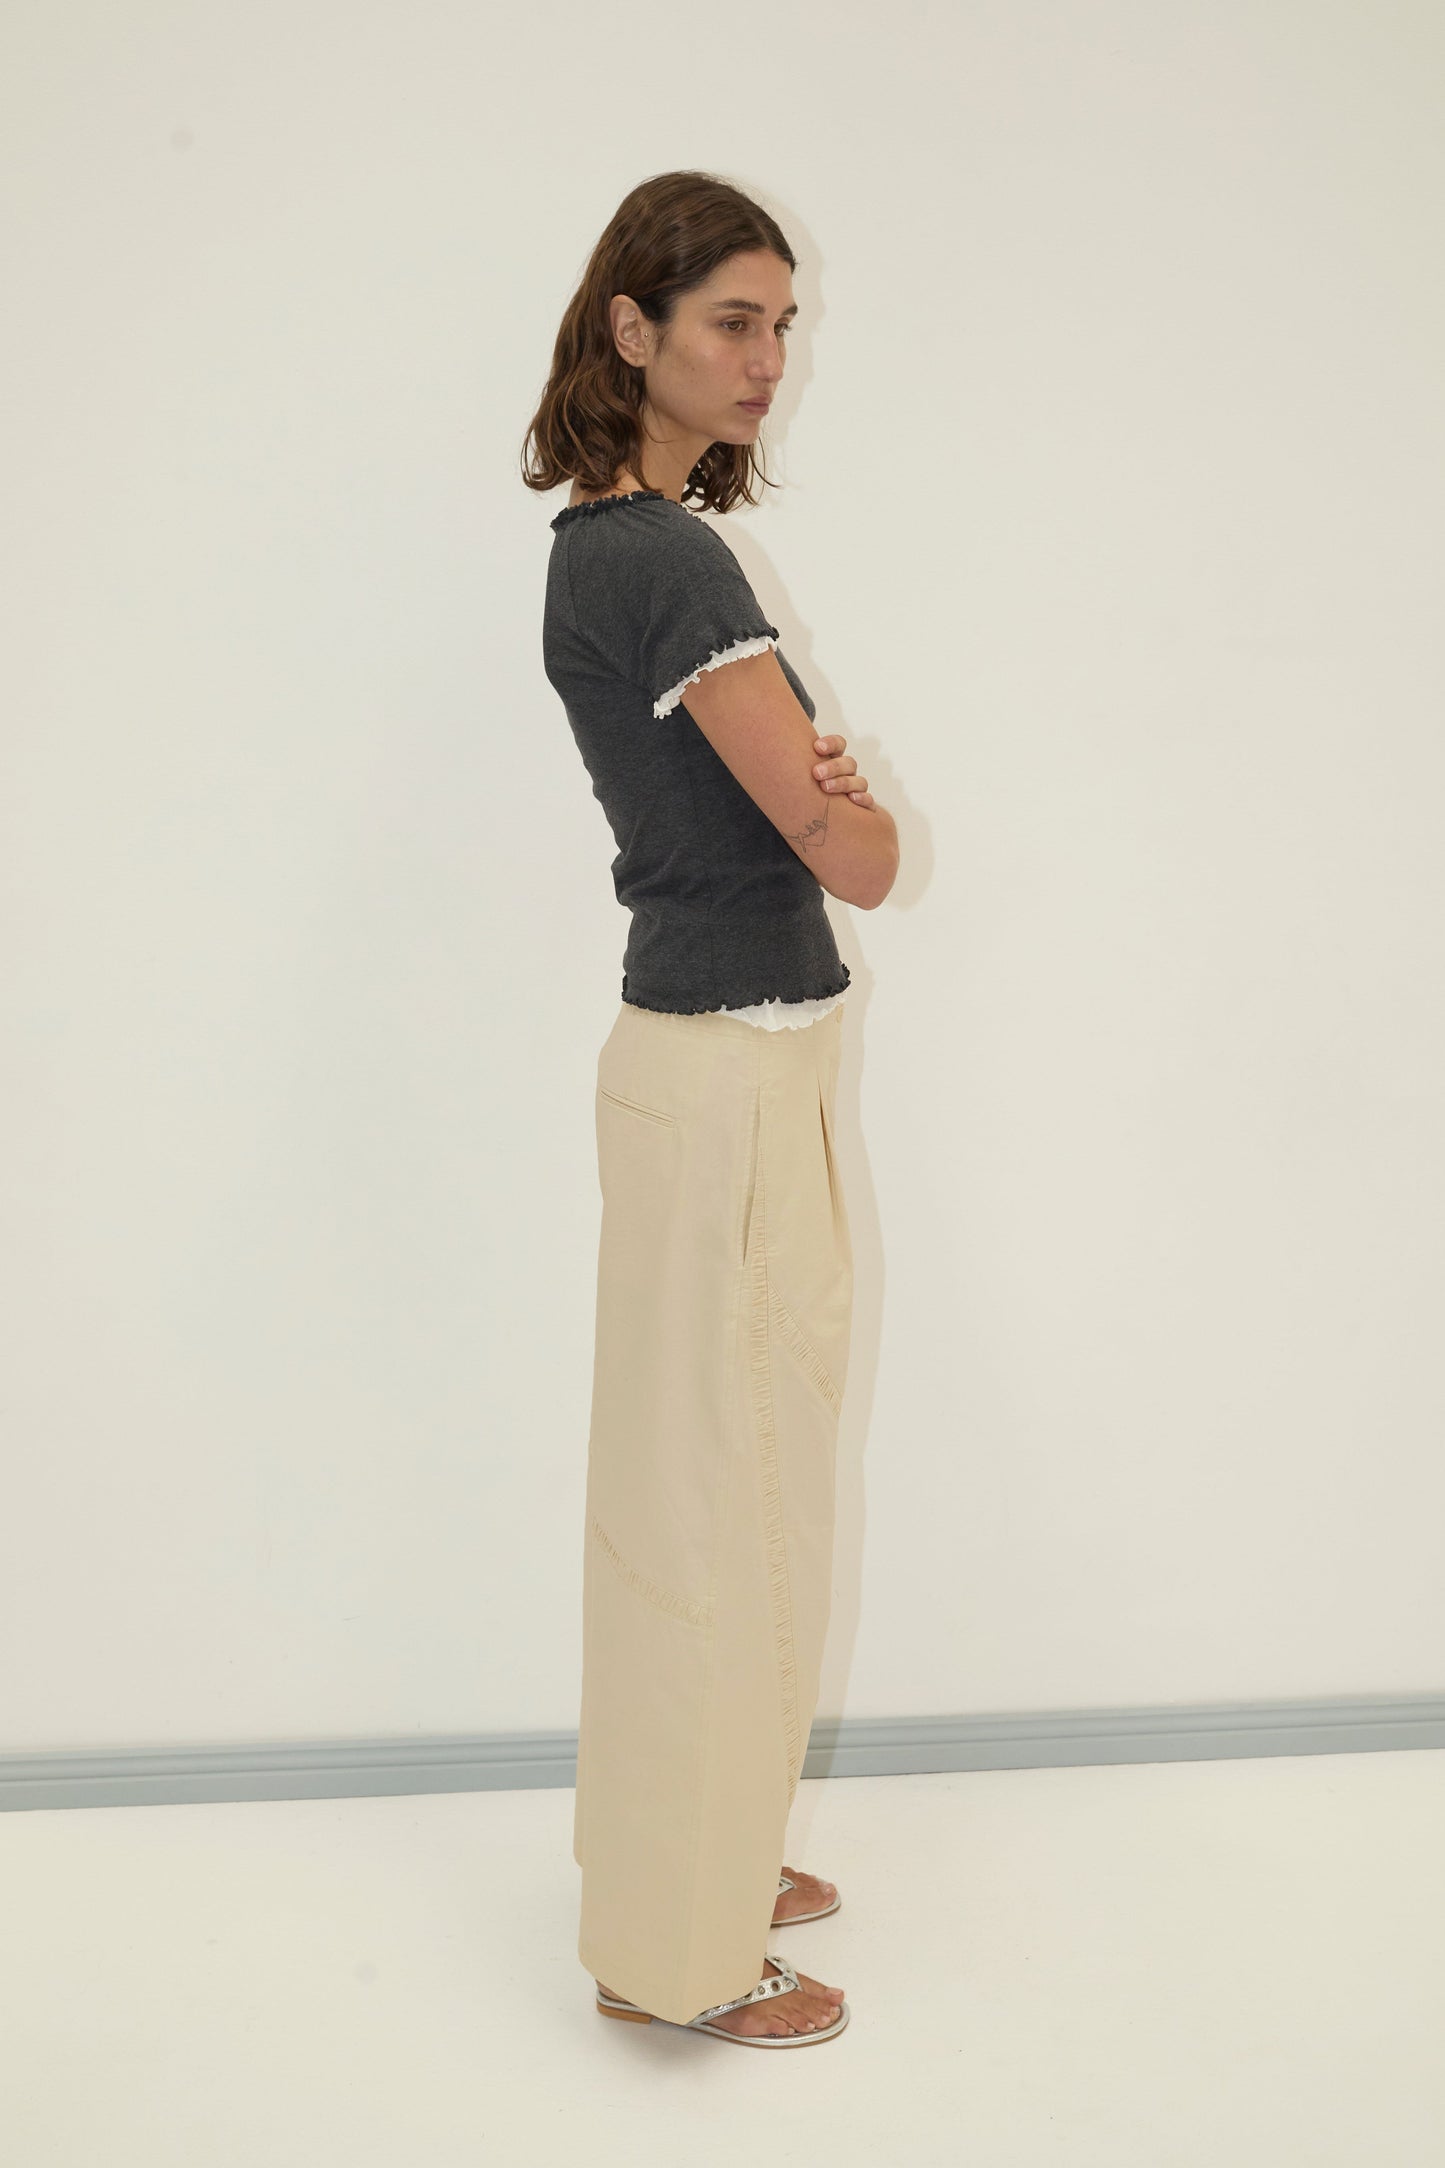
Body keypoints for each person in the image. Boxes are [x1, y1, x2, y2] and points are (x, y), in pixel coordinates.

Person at [521, 170, 899, 2048]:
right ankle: (673, 1954)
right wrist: (847, 801)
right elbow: (858, 853)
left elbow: (786, 807)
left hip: (733, 1056)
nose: (768, 356)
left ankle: (700, 1841)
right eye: (734, 320)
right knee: (717, 1500)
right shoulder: (663, 560)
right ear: (632, 333)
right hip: (725, 1063)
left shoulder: (620, 542)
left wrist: (815, 783)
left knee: (715, 1483)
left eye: (782, 323)